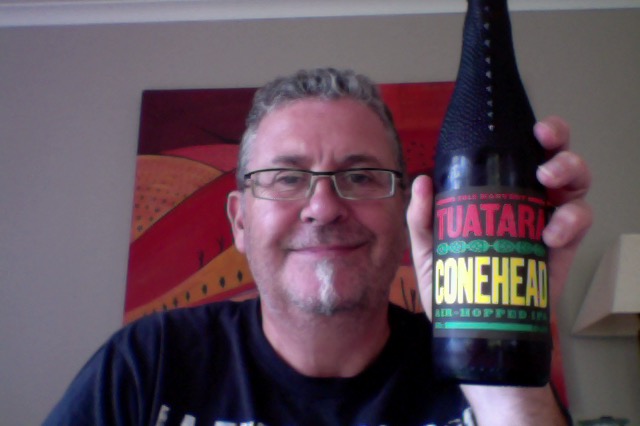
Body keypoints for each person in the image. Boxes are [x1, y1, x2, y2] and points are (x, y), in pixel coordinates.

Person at [45, 68, 592, 425]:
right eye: (287, 178)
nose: (324, 207)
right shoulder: (148, 363)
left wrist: (501, 350)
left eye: (361, 177)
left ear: (405, 211)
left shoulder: (469, 379)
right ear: (240, 221)